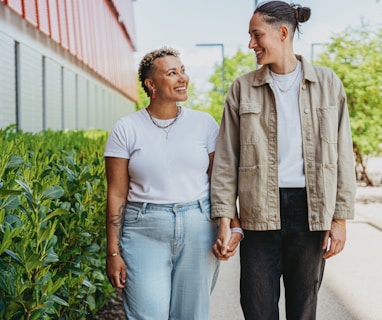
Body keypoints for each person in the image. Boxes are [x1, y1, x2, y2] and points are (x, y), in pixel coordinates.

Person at [211, 1, 356, 319]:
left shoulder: (328, 85)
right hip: (258, 211)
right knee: (257, 307)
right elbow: (226, 159)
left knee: (303, 309)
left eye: (256, 35)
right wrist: (225, 217)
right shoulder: (242, 89)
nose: (251, 44)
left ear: (282, 32)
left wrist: (340, 219)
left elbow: (343, 154)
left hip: (310, 211)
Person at [104, 47, 222, 319]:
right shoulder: (126, 128)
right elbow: (116, 193)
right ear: (150, 84)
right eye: (172, 73)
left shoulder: (204, 124)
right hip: (143, 229)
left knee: (191, 315)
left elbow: (219, 182)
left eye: (183, 71)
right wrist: (113, 252)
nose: (183, 78)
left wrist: (230, 224)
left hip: (199, 227)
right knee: (147, 314)